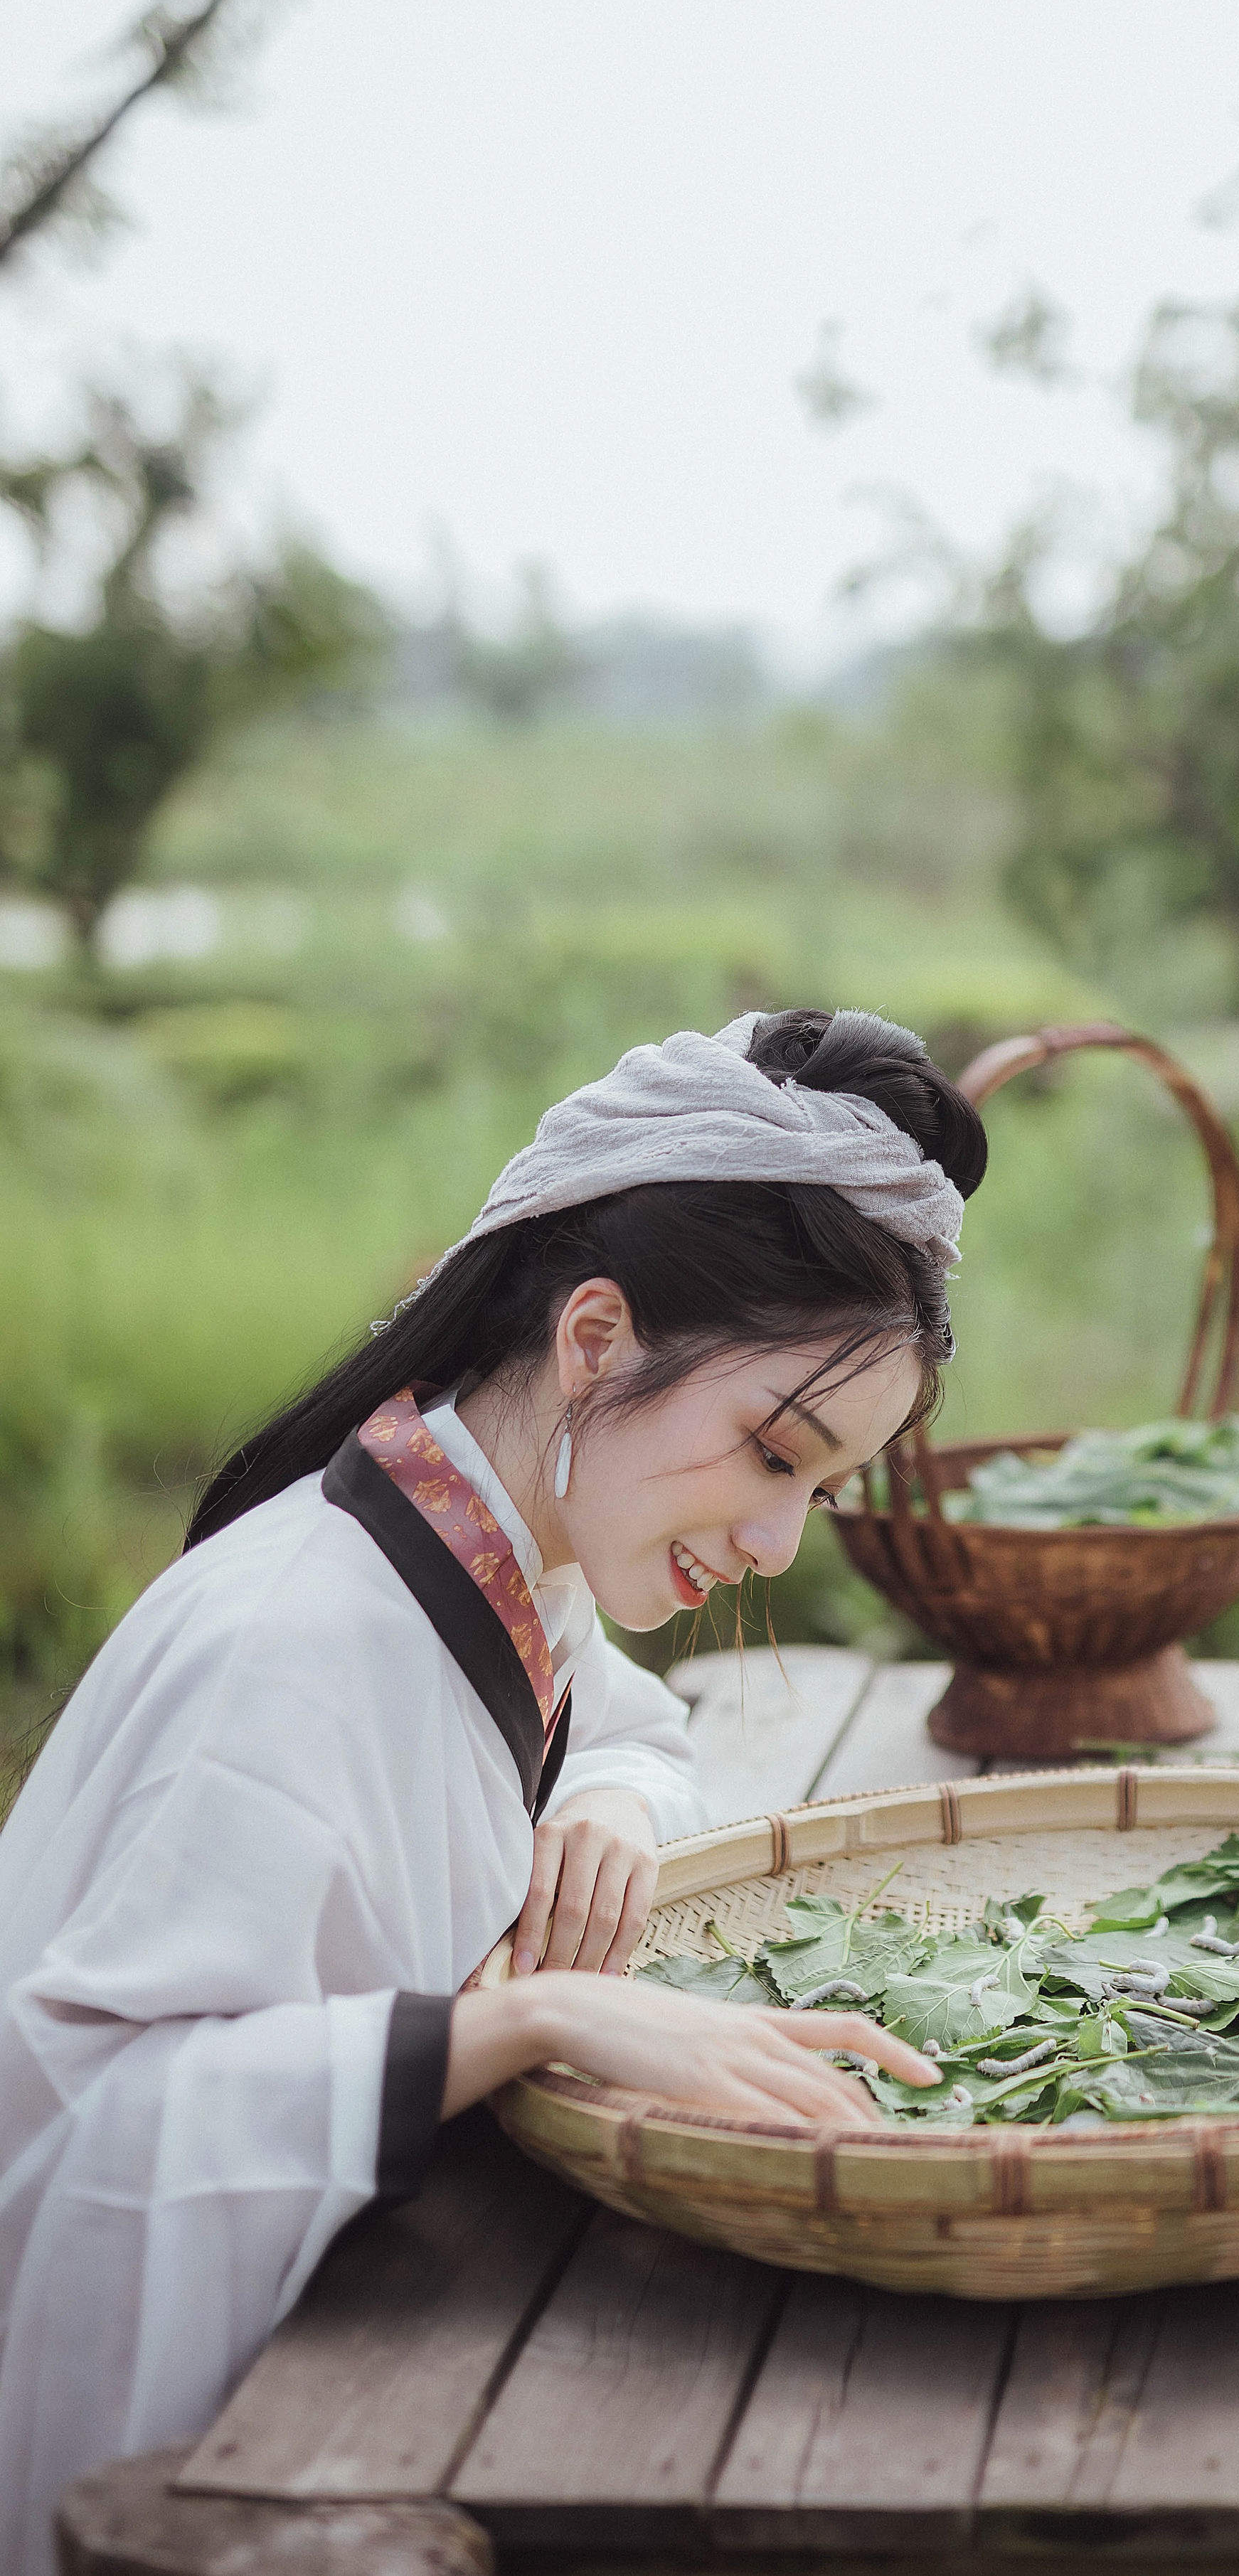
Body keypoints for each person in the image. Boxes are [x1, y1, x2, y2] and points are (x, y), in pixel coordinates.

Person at [0, 1007, 981, 2571]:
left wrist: (596, 1801)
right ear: (594, 1339)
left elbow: (624, 1726)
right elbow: (91, 2133)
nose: (781, 1545)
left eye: (820, 1486)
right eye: (774, 1454)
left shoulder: (501, 1558)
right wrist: (517, 2024)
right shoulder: (289, 1648)